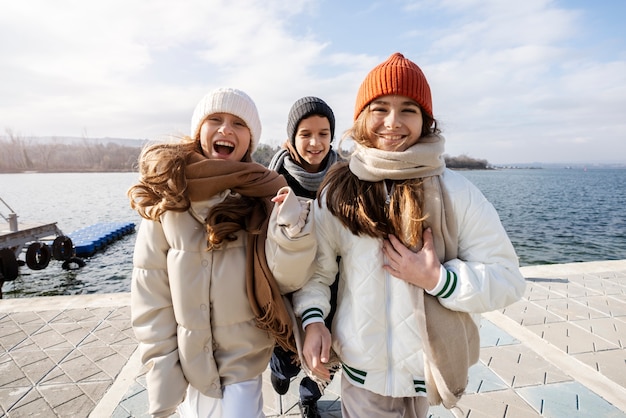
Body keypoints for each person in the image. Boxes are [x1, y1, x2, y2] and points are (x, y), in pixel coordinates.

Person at [292, 53, 527, 418]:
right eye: (380, 108)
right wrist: (313, 321)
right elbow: (317, 273)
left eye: (408, 110)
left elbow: (508, 280)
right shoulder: (338, 191)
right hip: (361, 374)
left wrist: (438, 279)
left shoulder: (455, 191)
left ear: (425, 120)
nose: (392, 122)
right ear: (361, 117)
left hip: (425, 373)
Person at [128, 87, 316, 418]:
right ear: (199, 129)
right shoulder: (168, 198)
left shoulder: (264, 195)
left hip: (243, 362)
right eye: (215, 119)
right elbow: (151, 298)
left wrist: (291, 231)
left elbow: (287, 279)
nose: (226, 129)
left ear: (250, 141)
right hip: (189, 365)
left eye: (238, 124)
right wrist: (162, 375)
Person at [267, 96, 340, 418]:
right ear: (292, 138)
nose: (315, 142)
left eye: (324, 133)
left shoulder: (344, 179)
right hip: (284, 284)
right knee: (286, 353)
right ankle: (281, 372)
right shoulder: (272, 179)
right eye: (306, 133)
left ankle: (310, 397)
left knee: (328, 351)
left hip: (331, 280)